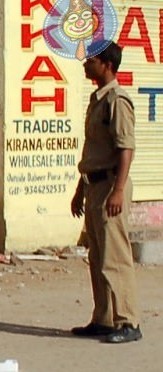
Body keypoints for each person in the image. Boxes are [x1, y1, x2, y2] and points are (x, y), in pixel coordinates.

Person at [70, 41, 141, 343]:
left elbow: (125, 148)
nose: (86, 64)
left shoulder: (117, 100)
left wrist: (119, 190)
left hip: (111, 186)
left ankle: (129, 321)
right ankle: (103, 319)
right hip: (94, 185)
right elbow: (93, 151)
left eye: (92, 61)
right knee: (98, 256)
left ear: (107, 65)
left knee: (115, 257)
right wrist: (80, 190)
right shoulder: (97, 100)